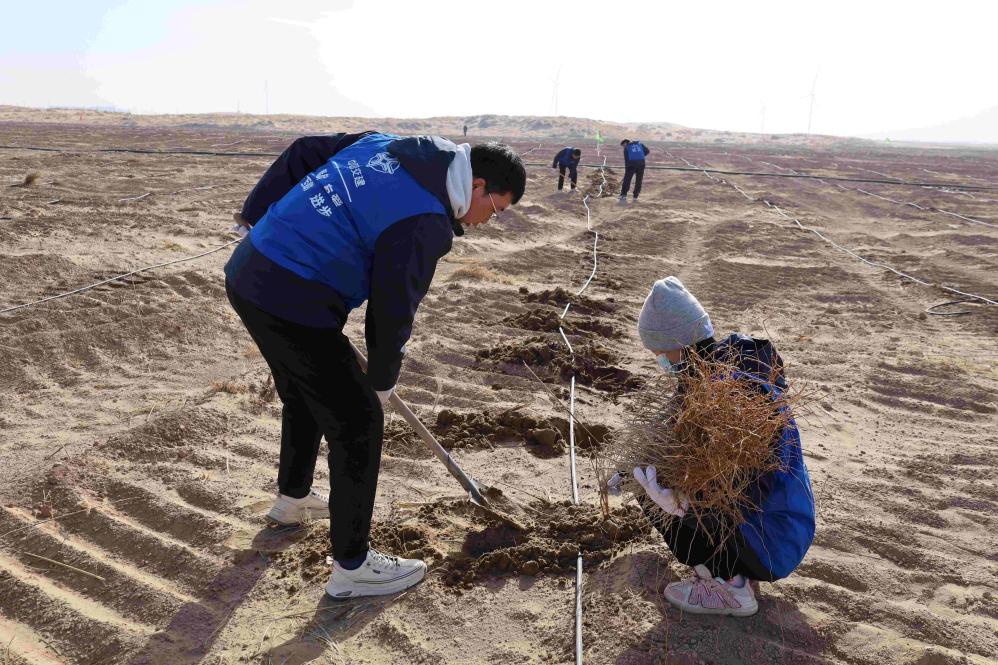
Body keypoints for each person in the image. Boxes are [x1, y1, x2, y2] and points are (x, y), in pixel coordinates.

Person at [224, 131, 526, 599]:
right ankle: (354, 567)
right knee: (359, 423)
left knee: (305, 390)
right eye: (496, 209)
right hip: (292, 298)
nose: (489, 221)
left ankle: (293, 500)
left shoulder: (387, 143)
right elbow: (392, 308)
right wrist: (381, 382)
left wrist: (255, 216)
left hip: (249, 271)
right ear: (478, 185)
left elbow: (305, 149)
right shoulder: (425, 222)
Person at [630, 276, 815, 616]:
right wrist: (632, 469)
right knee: (647, 476)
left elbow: (746, 486)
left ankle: (730, 587)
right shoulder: (712, 376)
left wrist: (685, 504)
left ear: (680, 343)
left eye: (661, 354)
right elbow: (664, 436)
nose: (661, 362)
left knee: (664, 495)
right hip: (774, 530)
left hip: (774, 540)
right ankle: (728, 571)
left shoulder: (736, 395)